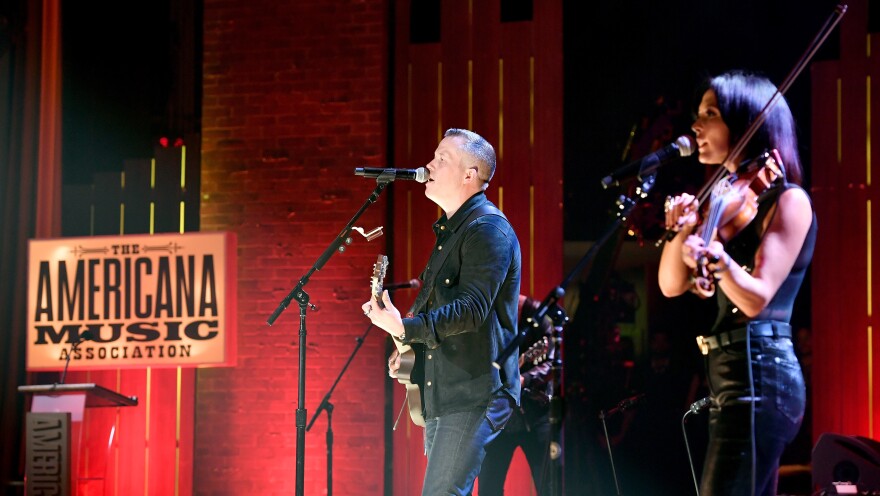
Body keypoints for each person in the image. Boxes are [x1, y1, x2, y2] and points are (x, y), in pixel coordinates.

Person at [658, 70, 816, 496]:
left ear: (749, 125)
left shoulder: (788, 200)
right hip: (730, 381)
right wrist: (682, 232)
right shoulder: (724, 199)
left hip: (762, 377)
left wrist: (718, 258)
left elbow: (757, 298)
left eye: (711, 114)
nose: (696, 126)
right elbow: (671, 284)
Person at [362, 128, 522, 496]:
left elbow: (470, 310)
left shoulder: (488, 229)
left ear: (470, 174)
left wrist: (406, 327)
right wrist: (406, 342)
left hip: (475, 390)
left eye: (441, 158)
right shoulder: (452, 232)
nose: (428, 165)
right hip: (444, 391)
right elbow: (441, 309)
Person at [478, 295, 556, 495]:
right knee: (488, 487)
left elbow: (551, 364)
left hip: (534, 415)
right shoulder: (486, 312)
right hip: (499, 417)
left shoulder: (537, 314)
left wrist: (524, 380)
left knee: (547, 486)